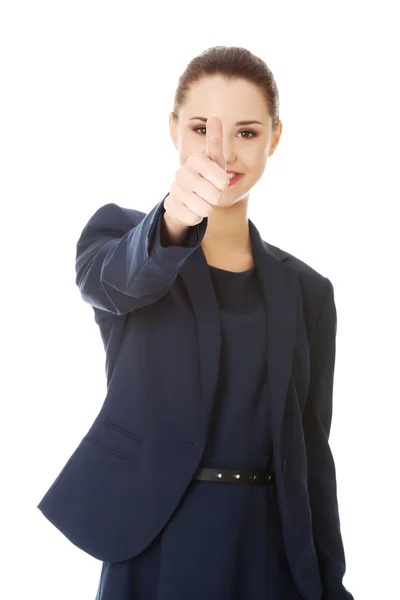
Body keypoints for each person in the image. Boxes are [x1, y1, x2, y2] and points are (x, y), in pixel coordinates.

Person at [37, 46, 354, 600]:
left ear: (275, 138)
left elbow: (311, 455)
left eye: (247, 132)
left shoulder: (308, 290)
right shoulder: (125, 241)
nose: (221, 150)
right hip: (157, 541)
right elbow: (109, 283)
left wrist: (331, 583)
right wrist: (174, 221)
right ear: (174, 130)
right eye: (202, 127)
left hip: (270, 550)